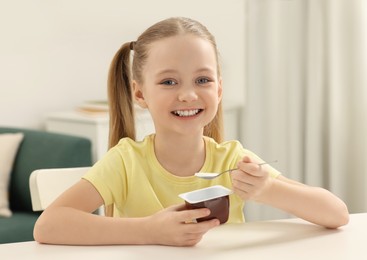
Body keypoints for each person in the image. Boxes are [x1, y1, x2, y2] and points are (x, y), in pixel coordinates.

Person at [33, 17, 349, 246]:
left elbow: (337, 215)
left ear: (220, 89)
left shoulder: (233, 161)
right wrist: (149, 231)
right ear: (140, 94)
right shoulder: (125, 162)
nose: (188, 95)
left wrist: (267, 189)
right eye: (169, 82)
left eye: (202, 80)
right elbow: (48, 226)